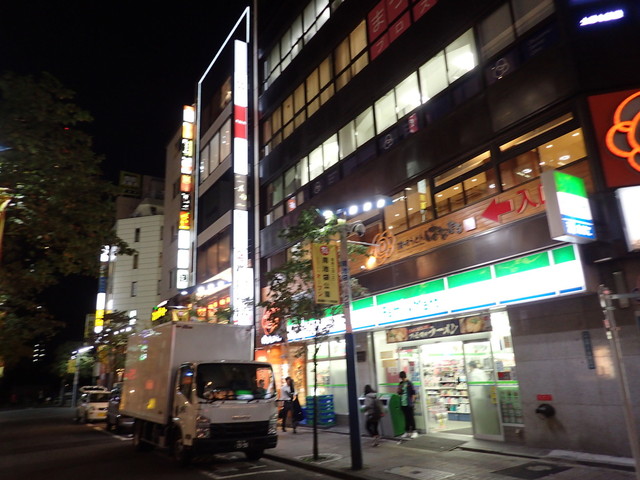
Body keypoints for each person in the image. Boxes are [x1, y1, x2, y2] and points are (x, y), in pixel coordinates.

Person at [398, 371, 418, 438]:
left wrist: (413, 403)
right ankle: (407, 432)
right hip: (403, 403)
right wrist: (399, 390)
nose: (402, 379)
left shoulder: (409, 383)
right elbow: (399, 393)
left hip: (409, 403)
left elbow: (413, 393)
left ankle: (414, 431)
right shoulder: (401, 383)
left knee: (411, 418)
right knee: (406, 418)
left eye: (403, 378)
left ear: (405, 376)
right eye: (401, 378)